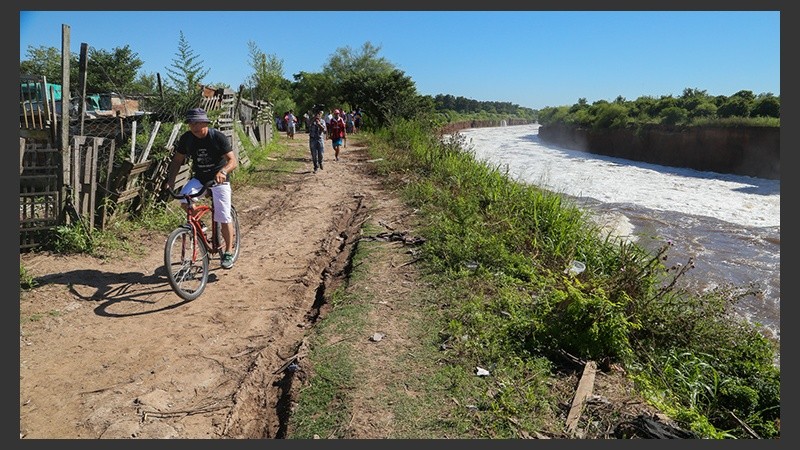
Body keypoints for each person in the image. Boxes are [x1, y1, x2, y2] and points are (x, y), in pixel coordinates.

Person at [164, 108, 238, 269]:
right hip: (200, 178)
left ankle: (228, 252)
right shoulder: (187, 139)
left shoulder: (217, 137)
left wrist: (223, 171)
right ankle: (200, 223)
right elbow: (177, 160)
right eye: (191, 123)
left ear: (205, 122)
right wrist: (170, 180)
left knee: (224, 215)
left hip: (220, 180)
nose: (194, 126)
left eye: (197, 122)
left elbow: (232, 161)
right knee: (184, 198)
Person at [308, 107, 327, 173]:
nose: (317, 115)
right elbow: (308, 125)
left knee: (321, 153)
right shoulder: (311, 120)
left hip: (320, 139)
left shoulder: (322, 121)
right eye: (316, 114)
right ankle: (315, 167)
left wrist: (319, 124)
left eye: (319, 114)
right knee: (314, 154)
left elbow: (324, 130)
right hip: (313, 139)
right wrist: (313, 120)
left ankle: (320, 162)